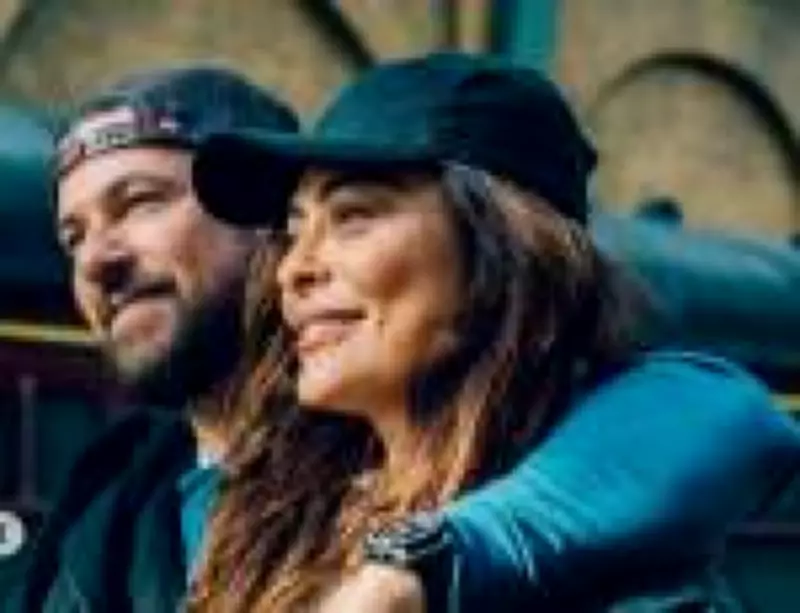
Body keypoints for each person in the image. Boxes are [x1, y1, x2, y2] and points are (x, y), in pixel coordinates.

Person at [189, 52, 800, 612]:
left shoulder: (616, 561)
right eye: (294, 230)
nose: (294, 269)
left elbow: (729, 412)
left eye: (354, 216)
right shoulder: (259, 520)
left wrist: (410, 571)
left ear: (503, 254)